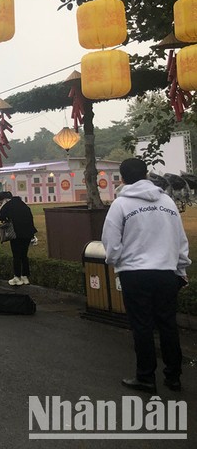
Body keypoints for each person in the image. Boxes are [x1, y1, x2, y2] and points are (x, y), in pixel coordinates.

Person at [102, 157, 191, 393]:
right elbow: (180, 239)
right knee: (167, 324)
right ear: (146, 175)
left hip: (135, 273)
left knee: (142, 326)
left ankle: (146, 377)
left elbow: (111, 242)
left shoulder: (120, 204)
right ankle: (173, 376)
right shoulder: (167, 202)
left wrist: (116, 261)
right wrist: (181, 267)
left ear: (122, 178)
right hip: (166, 273)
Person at [0, 190, 37, 285]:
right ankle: (25, 276)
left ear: (3, 199)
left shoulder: (8, 205)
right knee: (24, 255)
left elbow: (1, 216)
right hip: (28, 233)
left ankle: (17, 277)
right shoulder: (24, 205)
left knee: (16, 255)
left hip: (16, 233)